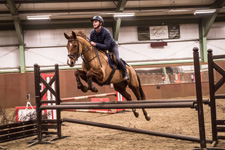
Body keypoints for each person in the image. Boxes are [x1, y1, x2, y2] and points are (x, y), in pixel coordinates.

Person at [90, 15, 130, 81]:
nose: (94, 23)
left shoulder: (106, 32)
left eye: (96, 21)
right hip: (99, 48)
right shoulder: (92, 33)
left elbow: (106, 46)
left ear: (100, 23)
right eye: (93, 22)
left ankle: (125, 73)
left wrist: (95, 44)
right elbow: (91, 43)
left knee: (116, 59)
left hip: (111, 47)